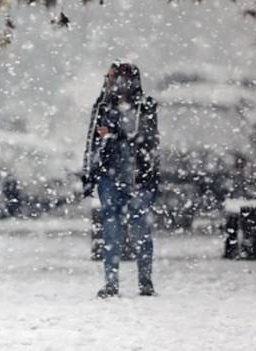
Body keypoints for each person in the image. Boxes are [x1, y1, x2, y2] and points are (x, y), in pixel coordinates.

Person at [82, 61, 160, 298]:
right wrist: (89, 173)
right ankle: (112, 282)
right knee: (111, 228)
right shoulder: (103, 106)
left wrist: (113, 135)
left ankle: (144, 281)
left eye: (113, 78)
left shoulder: (144, 107)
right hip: (110, 175)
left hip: (138, 176)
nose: (110, 83)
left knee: (140, 229)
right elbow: (94, 140)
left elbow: (146, 140)